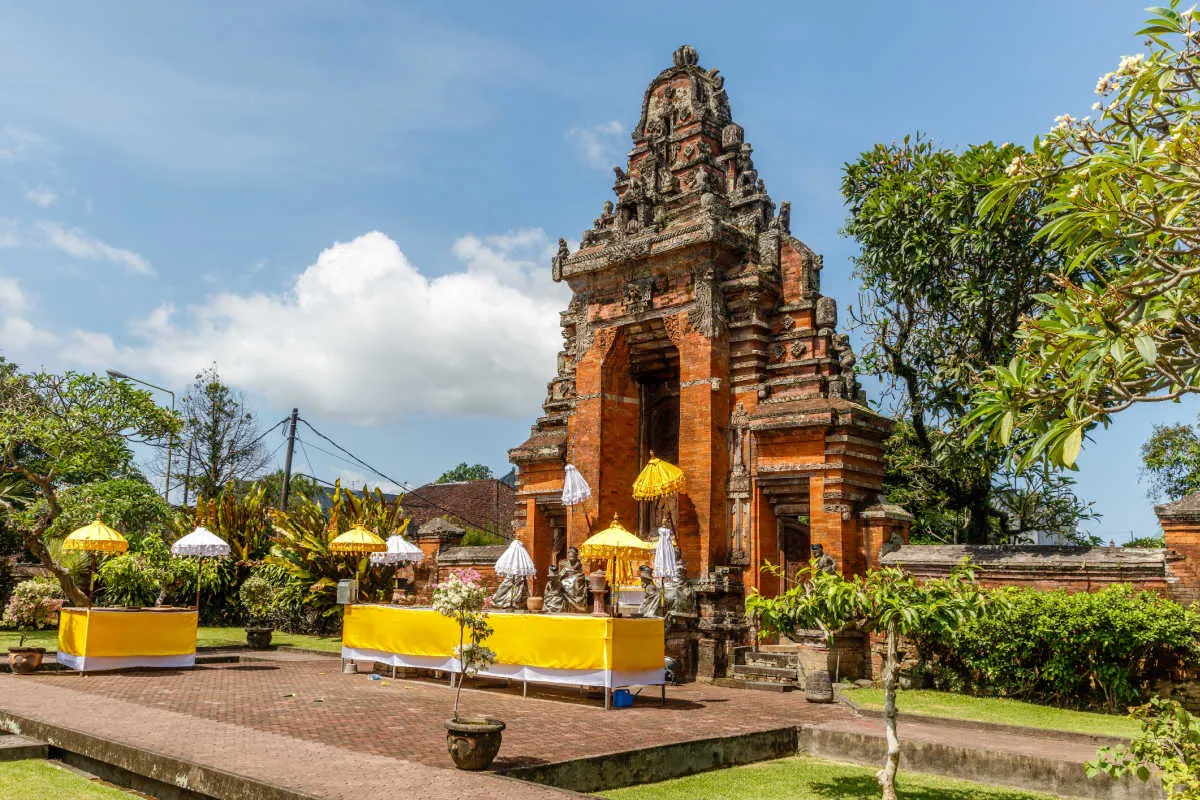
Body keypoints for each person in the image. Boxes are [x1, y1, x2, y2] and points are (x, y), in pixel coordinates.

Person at [558, 546, 589, 613]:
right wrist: (563, 573)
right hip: (566, 581)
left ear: (576, 556)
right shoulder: (564, 564)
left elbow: (580, 574)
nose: (571, 558)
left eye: (573, 556)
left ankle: (577, 606)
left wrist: (574, 576)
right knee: (560, 584)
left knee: (575, 580)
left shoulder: (579, 564)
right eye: (569, 556)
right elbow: (560, 575)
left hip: (576, 581)